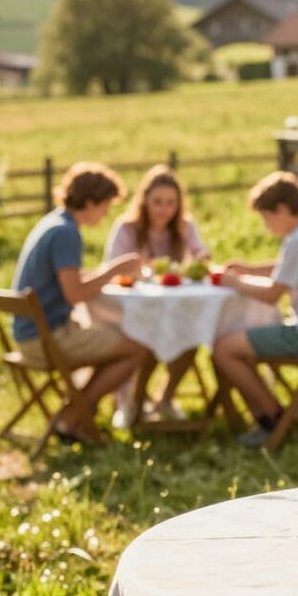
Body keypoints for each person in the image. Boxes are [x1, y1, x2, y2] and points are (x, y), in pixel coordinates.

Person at [10, 162, 154, 445]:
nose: (106, 213)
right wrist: (113, 270)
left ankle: (78, 414)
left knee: (117, 340)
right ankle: (74, 416)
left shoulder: (53, 222)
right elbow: (75, 294)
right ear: (90, 202)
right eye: (106, 206)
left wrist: (103, 275)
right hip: (47, 339)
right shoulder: (66, 233)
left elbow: (68, 279)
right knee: (138, 347)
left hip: (28, 333)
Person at [212, 171, 298, 448]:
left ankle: (274, 416)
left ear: (283, 210)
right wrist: (248, 269)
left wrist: (234, 282)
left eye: (266, 217)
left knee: (223, 349)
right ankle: (266, 412)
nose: (266, 225)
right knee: (238, 344)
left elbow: (273, 294)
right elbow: (285, 270)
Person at [100, 165, 212, 423]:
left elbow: (201, 254)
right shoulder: (127, 228)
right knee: (147, 336)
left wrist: (200, 259)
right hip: (132, 309)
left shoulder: (184, 226)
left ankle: (165, 398)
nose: (164, 209)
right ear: (144, 201)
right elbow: (114, 270)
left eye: (171, 203)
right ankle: (135, 401)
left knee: (192, 336)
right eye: (158, 202)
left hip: (173, 306)